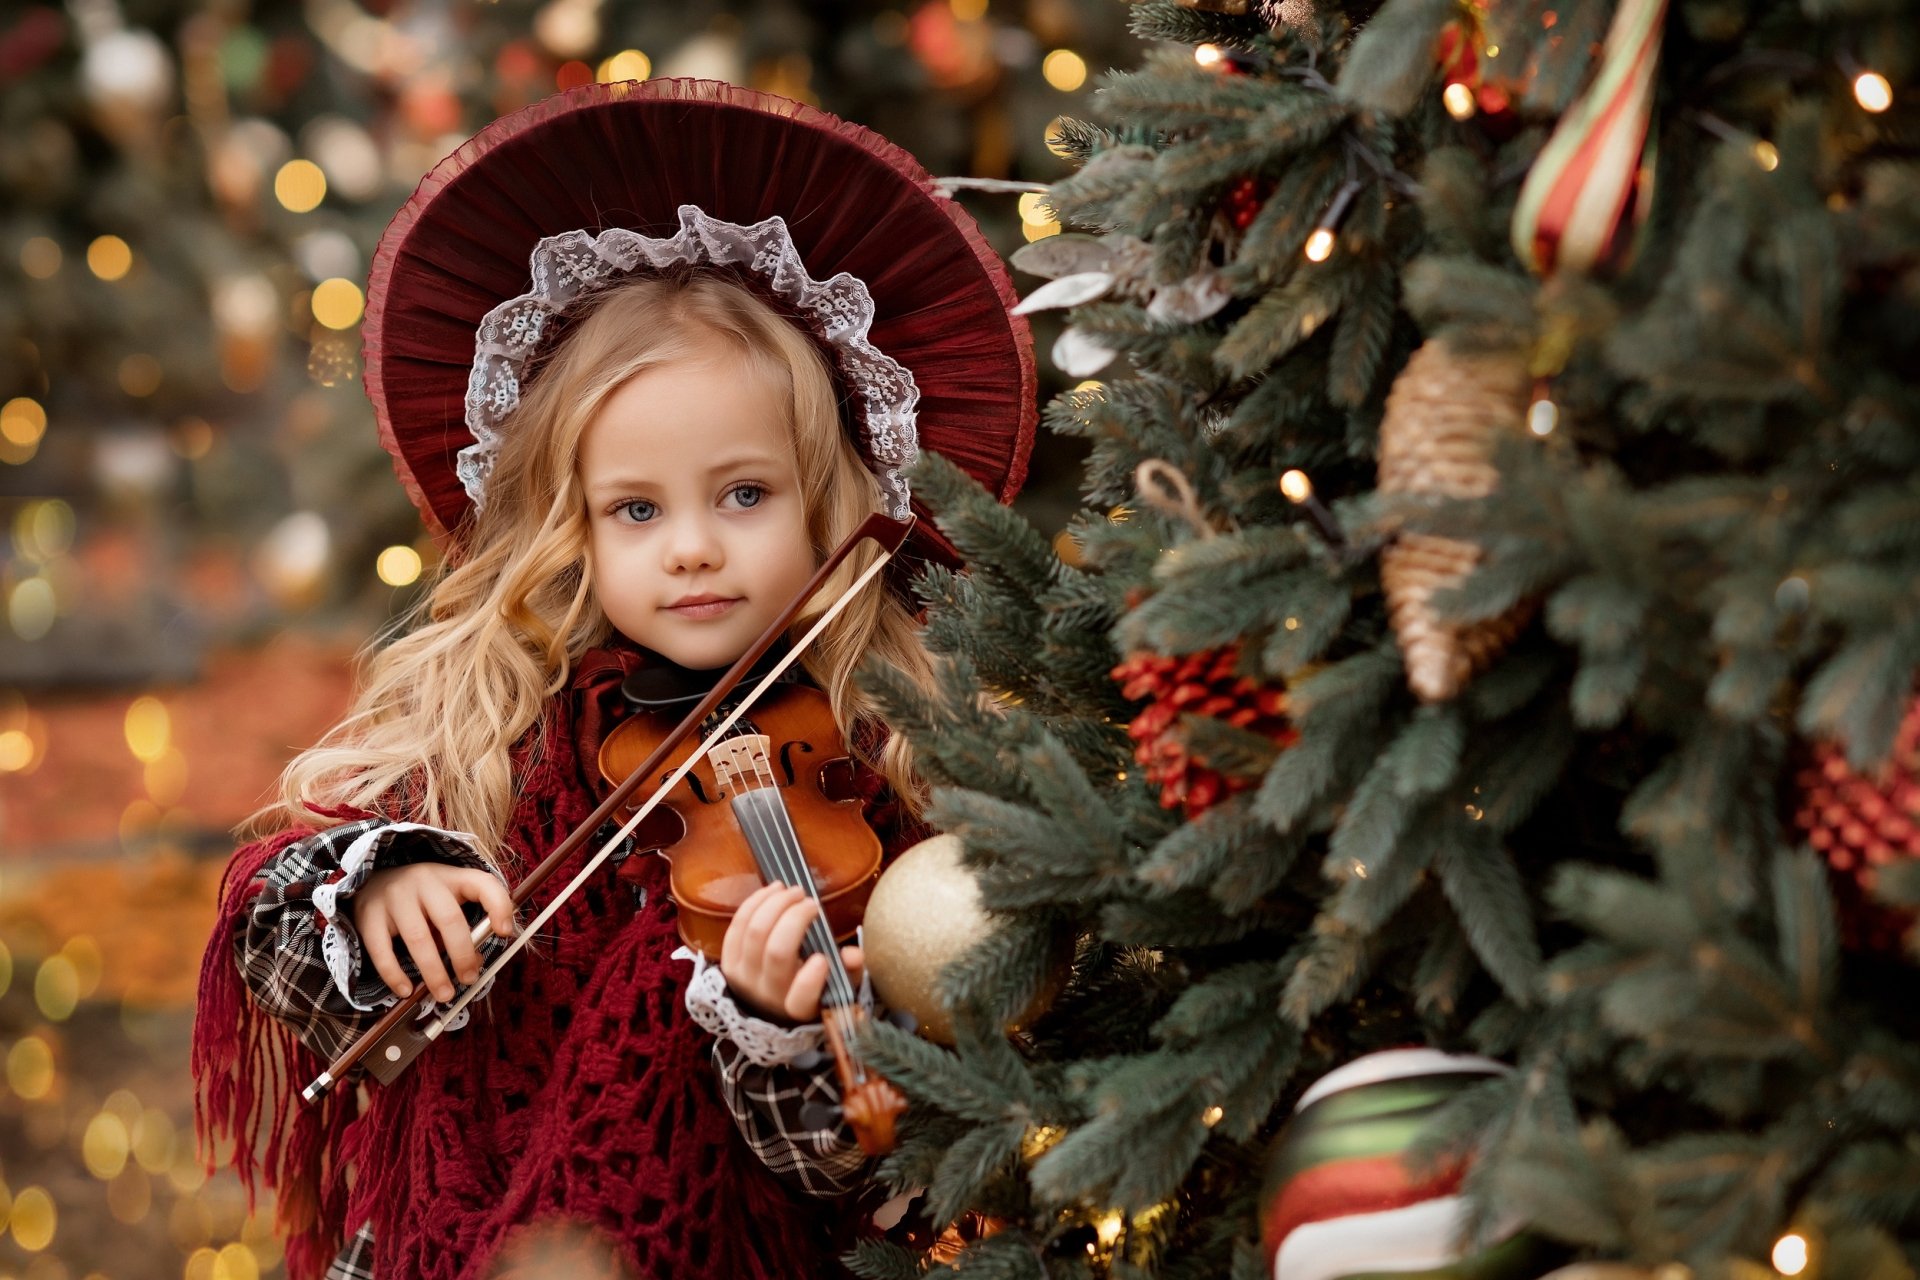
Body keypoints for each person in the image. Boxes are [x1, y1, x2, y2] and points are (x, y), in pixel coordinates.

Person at [192, 78, 1035, 1280]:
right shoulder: (509, 723)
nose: (692, 545)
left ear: (833, 503)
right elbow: (271, 934)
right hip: (467, 1237)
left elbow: (856, 1169)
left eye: (744, 493)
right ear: (574, 525)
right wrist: (375, 887)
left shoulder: (878, 758)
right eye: (638, 508)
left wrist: (778, 1021)